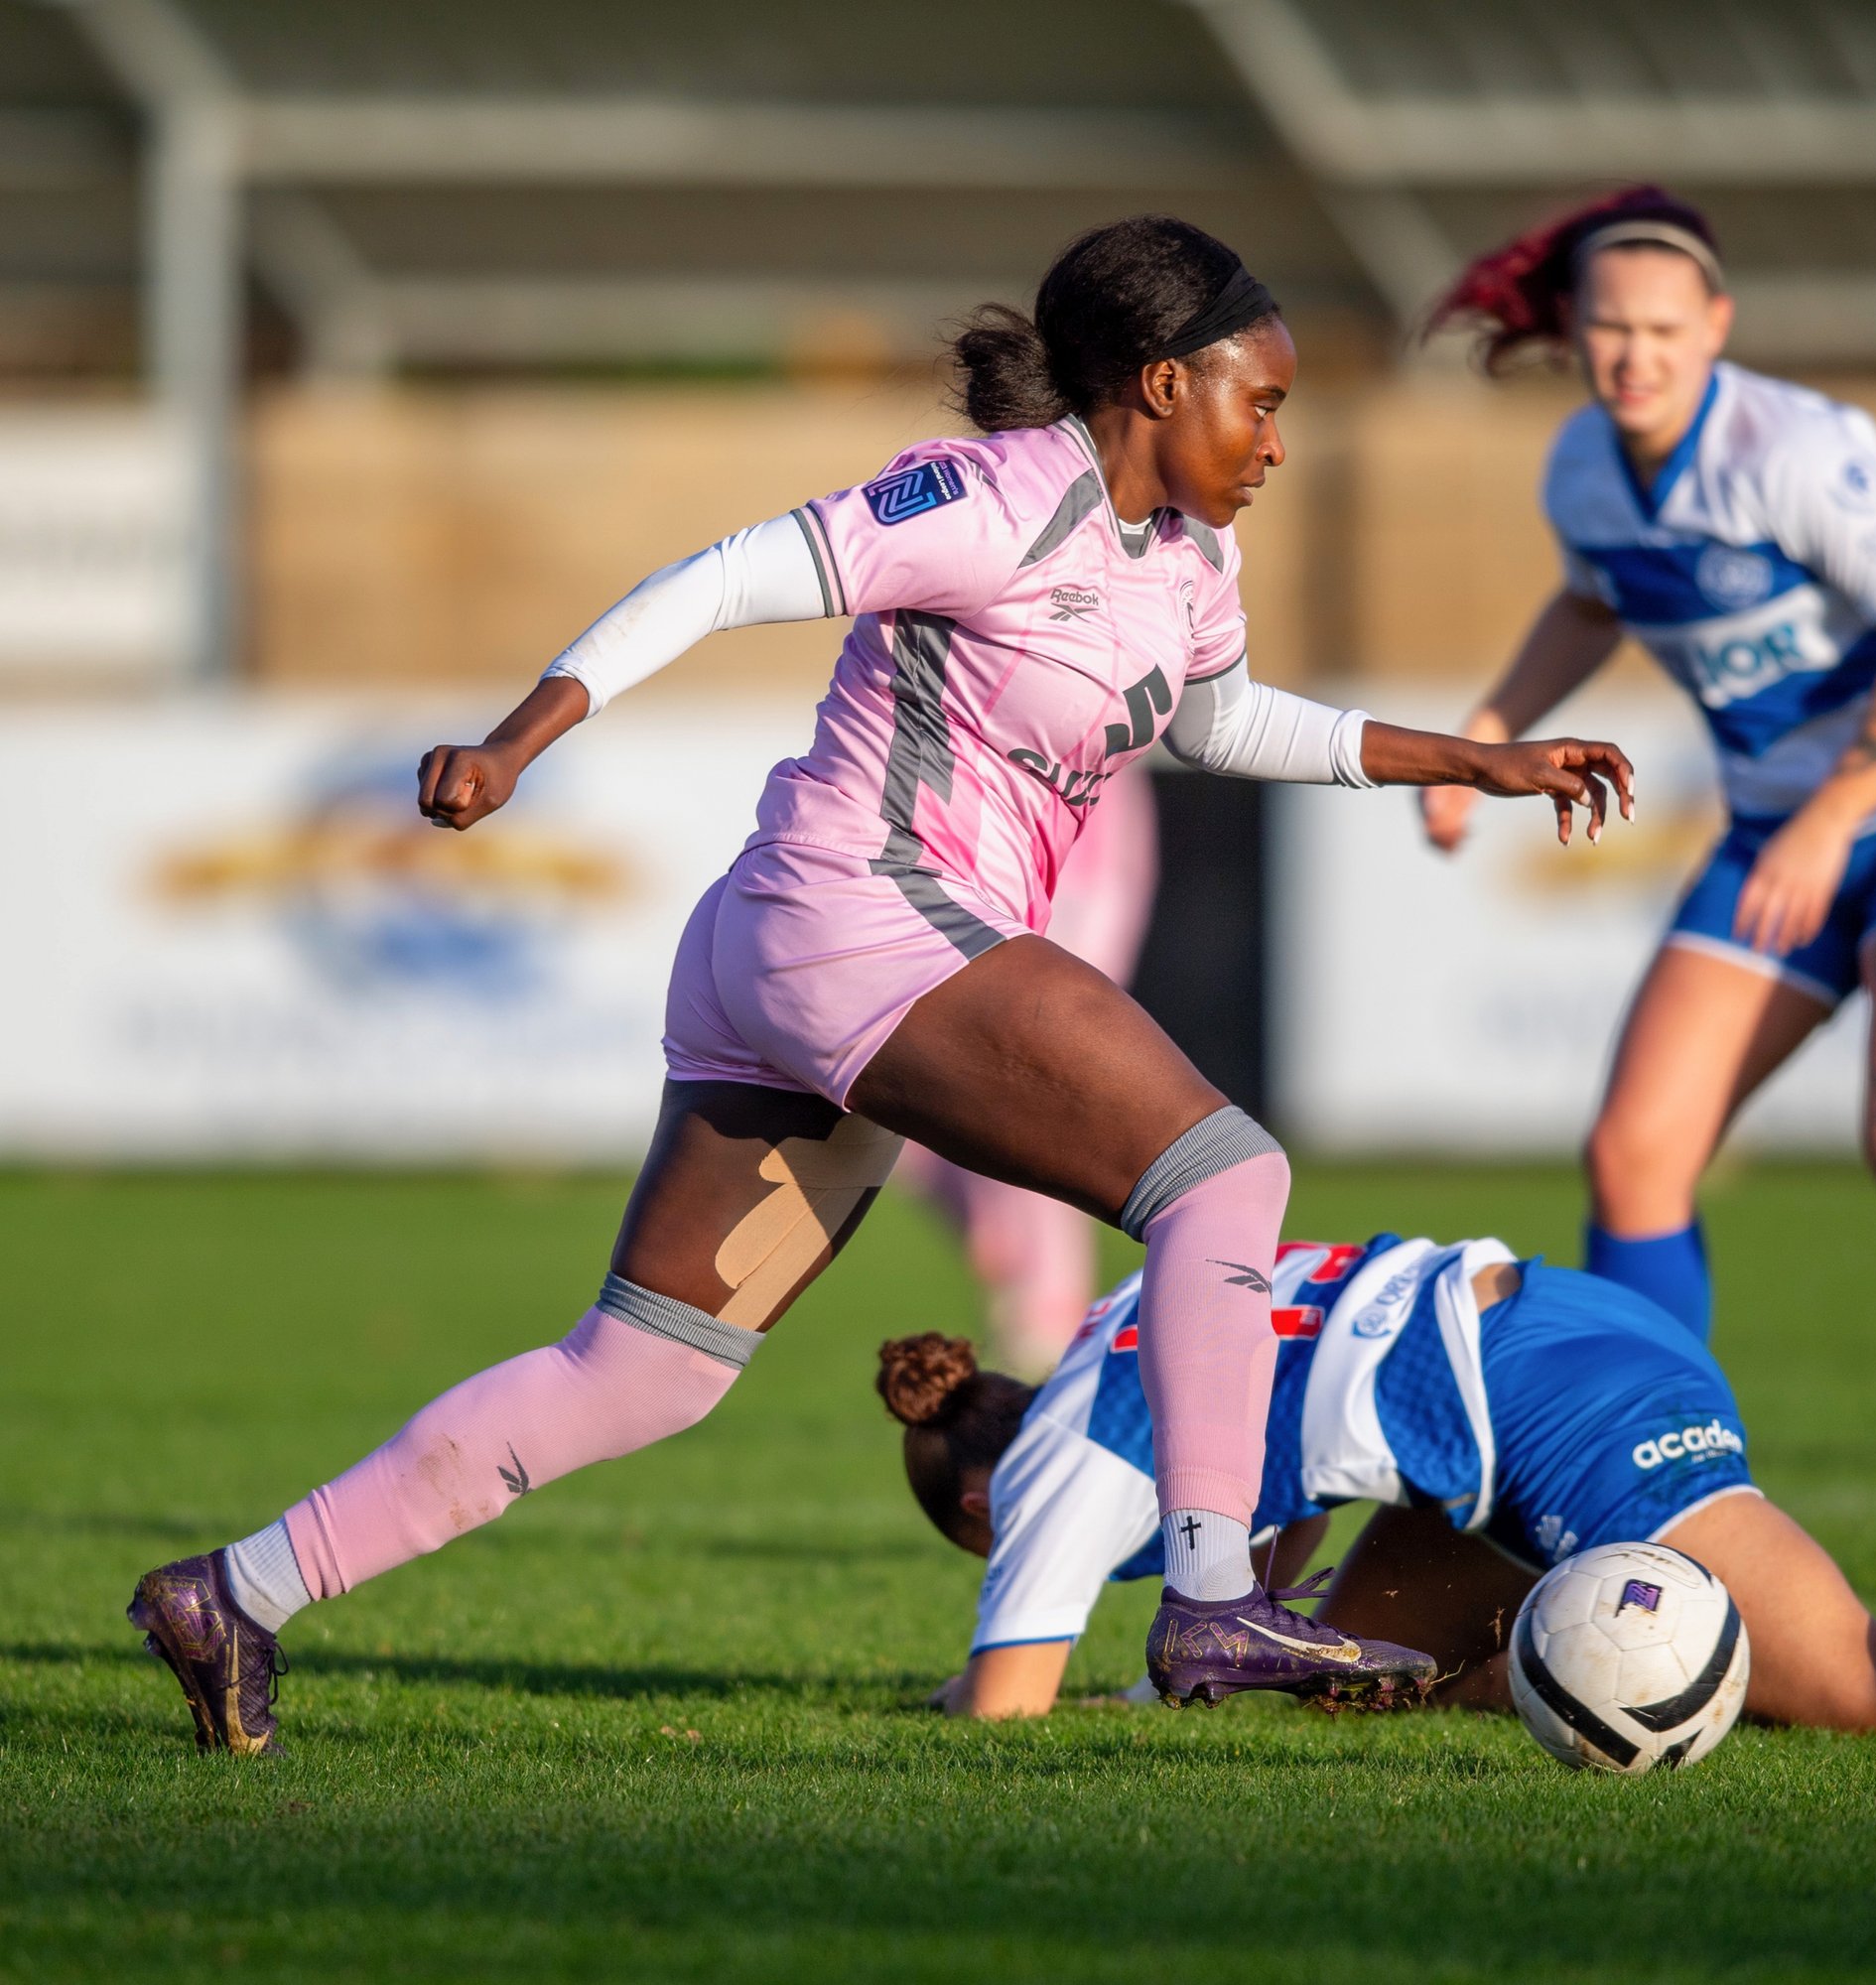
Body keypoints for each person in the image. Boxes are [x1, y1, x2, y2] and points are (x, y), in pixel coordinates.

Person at [126, 215, 1633, 1755]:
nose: (1278, 442)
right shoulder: (987, 501)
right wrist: (519, 739)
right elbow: (716, 580)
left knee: (642, 1373)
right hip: (854, 921)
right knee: (1226, 1177)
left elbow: (1224, 720)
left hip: (800, 956)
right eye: (1265, 403)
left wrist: (1472, 758)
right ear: (1164, 384)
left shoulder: (1191, 561)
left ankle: (235, 1592)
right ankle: (1207, 1595)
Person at [1417, 186, 1876, 1566]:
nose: (1634, 356)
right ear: (1574, 333)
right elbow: (1593, 600)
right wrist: (1488, 733)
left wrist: (1835, 820)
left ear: (1717, 328)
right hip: (1778, 835)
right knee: (1635, 1155)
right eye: (1609, 329)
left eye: (1662, 329)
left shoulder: (1799, 450)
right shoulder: (1583, 471)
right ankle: (1655, 1499)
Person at [879, 1238, 1876, 1741]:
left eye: (990, 1558)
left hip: (1548, 1404)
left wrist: (930, 1706)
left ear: (983, 1516)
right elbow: (1292, 1453)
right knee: (1356, 1682)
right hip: (1540, 1328)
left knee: (1869, 1682)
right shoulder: (1108, 1322)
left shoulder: (1059, 1470)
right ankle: (1568, 1664)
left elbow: (1002, 1706)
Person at [895, 764, 1158, 1374]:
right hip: (978, 869)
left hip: (1079, 872)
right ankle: (1006, 1241)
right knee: (912, 1125)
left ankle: (1051, 1309)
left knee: (1038, 1095)